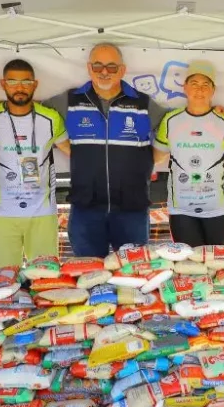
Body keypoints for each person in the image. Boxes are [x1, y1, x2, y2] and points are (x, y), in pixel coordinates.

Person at [48, 43, 169, 257]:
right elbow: (30, 113)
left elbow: (177, 124)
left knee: (132, 280)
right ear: (89, 68)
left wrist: (213, 109)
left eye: (112, 67)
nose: (104, 72)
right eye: (98, 66)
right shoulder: (69, 101)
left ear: (122, 70)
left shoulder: (143, 104)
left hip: (132, 209)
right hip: (86, 209)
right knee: (90, 279)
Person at [153, 60, 224, 246]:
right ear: (185, 88)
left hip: (218, 209)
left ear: (213, 91)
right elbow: (156, 157)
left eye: (206, 85)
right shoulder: (170, 120)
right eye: (194, 84)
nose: (200, 90)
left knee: (215, 265)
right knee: (190, 267)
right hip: (181, 209)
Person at [0, 59, 71, 268]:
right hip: (2, 212)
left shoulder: (51, 118)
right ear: (3, 84)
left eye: (26, 82)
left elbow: (71, 151)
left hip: (42, 212)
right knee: (1, 279)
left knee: (44, 279)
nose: (20, 88)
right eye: (13, 82)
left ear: (35, 84)